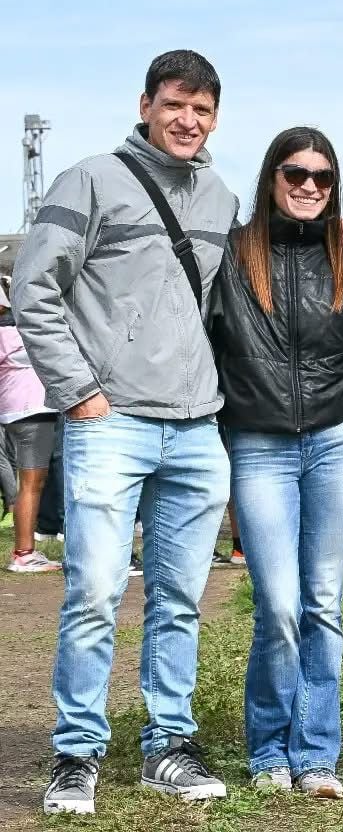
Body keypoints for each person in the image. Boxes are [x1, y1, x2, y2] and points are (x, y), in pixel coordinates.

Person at [15, 50, 237, 814]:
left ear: (216, 117)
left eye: (203, 109)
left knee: (179, 597)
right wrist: (80, 395)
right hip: (111, 421)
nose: (188, 121)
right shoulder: (89, 178)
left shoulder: (220, 196)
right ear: (146, 103)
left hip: (197, 427)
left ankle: (167, 746)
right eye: (175, 104)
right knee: (95, 593)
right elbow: (35, 290)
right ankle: (75, 752)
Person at [209, 126, 343, 798]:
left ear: (334, 188)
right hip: (260, 444)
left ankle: (316, 754)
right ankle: (269, 747)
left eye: (321, 177)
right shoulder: (233, 252)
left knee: (324, 602)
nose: (307, 186)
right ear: (272, 177)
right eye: (294, 174)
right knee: (277, 603)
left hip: (336, 441)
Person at [0, 281, 61, 573]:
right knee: (32, 485)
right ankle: (24, 553)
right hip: (33, 411)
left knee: (29, 482)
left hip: (13, 413)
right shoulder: (19, 332)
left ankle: (25, 551)